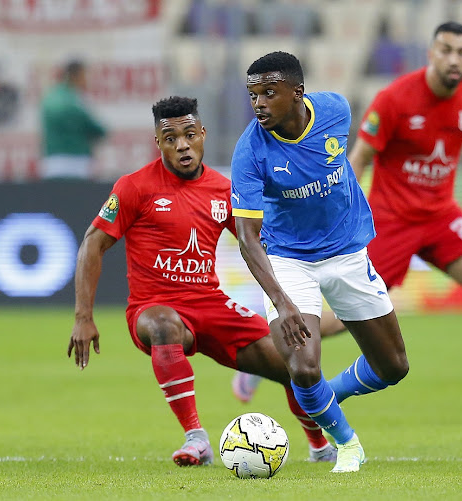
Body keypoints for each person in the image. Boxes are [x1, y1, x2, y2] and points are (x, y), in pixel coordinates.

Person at [233, 23, 462, 425]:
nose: (453, 59)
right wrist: (339, 214)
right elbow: (355, 157)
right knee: (346, 318)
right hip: (392, 217)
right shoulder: (396, 98)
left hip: (441, 214)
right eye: (445, 49)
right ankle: (274, 346)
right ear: (431, 53)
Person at [67, 96, 338, 468]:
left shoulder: (223, 190)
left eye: (189, 134)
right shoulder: (134, 188)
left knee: (294, 363)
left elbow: (256, 244)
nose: (182, 144)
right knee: (164, 325)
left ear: (203, 135)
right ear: (158, 142)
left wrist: (289, 293)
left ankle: (319, 446)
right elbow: (92, 245)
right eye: (171, 137)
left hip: (211, 304)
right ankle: (196, 437)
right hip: (154, 306)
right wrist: (84, 317)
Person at [230, 51, 410, 473]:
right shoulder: (249, 151)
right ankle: (346, 444)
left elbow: (340, 169)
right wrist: (282, 300)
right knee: (303, 365)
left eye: (268, 93)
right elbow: (246, 238)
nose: (258, 103)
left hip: (348, 252)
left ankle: (325, 397)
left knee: (394, 367)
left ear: (298, 93)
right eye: (252, 94)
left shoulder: (335, 111)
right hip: (288, 260)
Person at [40, 59, 107, 180]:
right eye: (84, 75)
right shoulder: (74, 100)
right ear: (76, 75)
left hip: (52, 161)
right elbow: (97, 129)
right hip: (75, 161)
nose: (87, 80)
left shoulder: (50, 97)